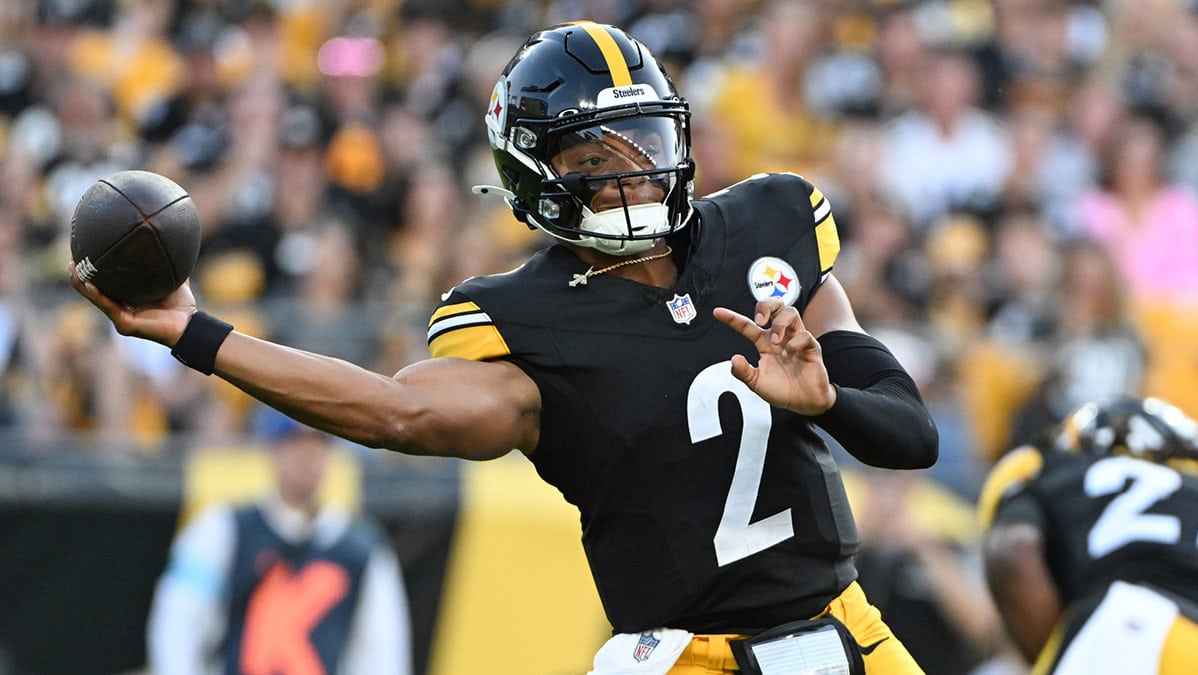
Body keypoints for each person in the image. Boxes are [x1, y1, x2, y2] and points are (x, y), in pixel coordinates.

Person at [74, 22, 938, 675]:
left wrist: (830, 402)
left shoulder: (767, 229)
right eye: (597, 158)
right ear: (535, 174)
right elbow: (395, 412)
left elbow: (910, 434)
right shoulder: (531, 321)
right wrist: (196, 333)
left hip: (846, 626)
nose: (633, 177)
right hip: (689, 657)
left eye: (647, 145)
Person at [145, 408, 412, 675]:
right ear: (271, 449)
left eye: (317, 444)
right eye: (295, 443)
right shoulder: (221, 530)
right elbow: (177, 626)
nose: (307, 457)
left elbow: (383, 650)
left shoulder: (361, 547)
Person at [978, 396, 1198, 674]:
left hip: (1128, 628)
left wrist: (1053, 650)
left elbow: (1011, 552)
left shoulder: (1048, 467)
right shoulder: (1192, 488)